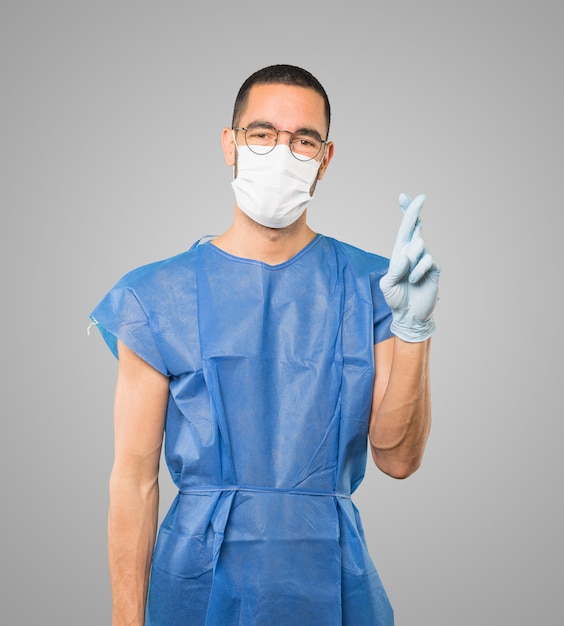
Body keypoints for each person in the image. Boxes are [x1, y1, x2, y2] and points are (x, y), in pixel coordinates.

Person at [90, 64, 440, 626]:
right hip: (198, 583)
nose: (282, 153)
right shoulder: (158, 296)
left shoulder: (373, 287)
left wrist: (413, 332)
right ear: (230, 144)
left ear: (325, 159)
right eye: (262, 134)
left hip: (331, 577)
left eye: (304, 140)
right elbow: (134, 480)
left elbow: (397, 460)